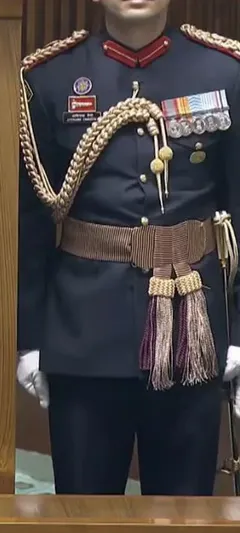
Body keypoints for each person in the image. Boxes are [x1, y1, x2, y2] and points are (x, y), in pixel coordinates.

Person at [17, 0, 240, 495]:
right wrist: (29, 340)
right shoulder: (50, 78)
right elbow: (29, 222)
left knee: (184, 519)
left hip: (192, 333)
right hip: (84, 335)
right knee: (83, 518)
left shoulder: (225, 71)